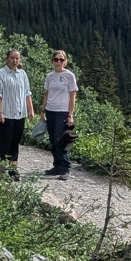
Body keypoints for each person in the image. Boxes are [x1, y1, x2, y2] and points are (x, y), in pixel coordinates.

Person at [0, 48, 35, 180]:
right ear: (7, 59)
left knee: (15, 143)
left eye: (17, 58)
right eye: (12, 58)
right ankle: (2, 169)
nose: (15, 61)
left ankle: (13, 168)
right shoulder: (0, 74)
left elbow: (27, 93)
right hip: (4, 115)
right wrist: (0, 112)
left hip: (19, 114)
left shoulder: (22, 74)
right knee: (5, 142)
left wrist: (30, 109)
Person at [41, 50, 79, 180]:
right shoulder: (49, 76)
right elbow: (47, 94)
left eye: (61, 59)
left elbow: (72, 97)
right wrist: (43, 110)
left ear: (65, 61)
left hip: (62, 111)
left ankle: (65, 167)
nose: (59, 62)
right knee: (52, 140)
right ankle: (57, 166)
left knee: (60, 140)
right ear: (52, 61)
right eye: (56, 59)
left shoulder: (69, 76)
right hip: (50, 110)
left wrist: (70, 114)